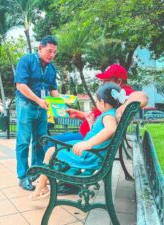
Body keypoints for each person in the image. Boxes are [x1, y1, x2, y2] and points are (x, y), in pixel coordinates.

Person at [43, 64, 148, 194]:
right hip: (90, 137)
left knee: (50, 142)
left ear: (119, 82)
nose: (102, 84)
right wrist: (81, 115)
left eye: (106, 81)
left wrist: (123, 106)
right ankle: (59, 175)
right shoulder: (111, 98)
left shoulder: (121, 95)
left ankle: (51, 174)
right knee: (55, 142)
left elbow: (142, 96)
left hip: (90, 143)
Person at [29, 82, 126, 200]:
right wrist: (91, 124)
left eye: (97, 101)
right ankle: (43, 180)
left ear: (103, 102)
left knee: (50, 151)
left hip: (88, 156)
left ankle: (42, 186)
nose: (96, 103)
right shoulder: (111, 114)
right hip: (93, 153)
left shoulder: (108, 116)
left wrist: (87, 143)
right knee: (54, 149)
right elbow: (100, 134)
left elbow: (111, 130)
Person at [14, 35, 59, 191]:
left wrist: (59, 104)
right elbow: (21, 85)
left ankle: (37, 172)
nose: (52, 55)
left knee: (40, 141)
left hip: (43, 108)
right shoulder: (26, 61)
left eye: (54, 52)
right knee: (23, 141)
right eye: (49, 51)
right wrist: (38, 100)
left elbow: (53, 89)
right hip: (26, 104)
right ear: (40, 48)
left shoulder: (52, 68)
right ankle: (23, 176)